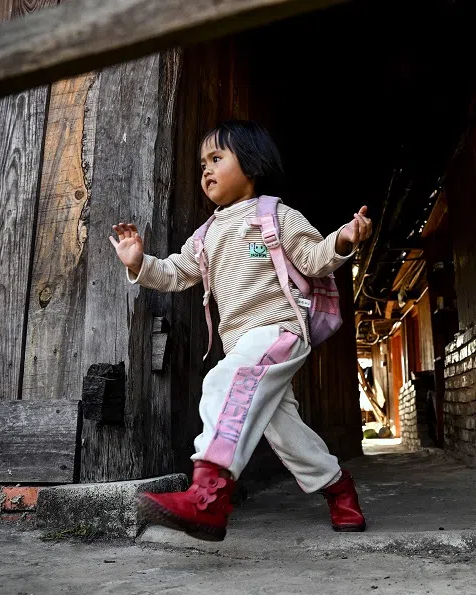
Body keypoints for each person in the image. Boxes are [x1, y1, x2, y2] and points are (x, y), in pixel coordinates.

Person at [108, 120, 372, 541]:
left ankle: (208, 497)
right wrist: (139, 262)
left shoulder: (276, 216)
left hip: (280, 330)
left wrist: (343, 238)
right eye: (202, 165)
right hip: (243, 342)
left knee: (223, 382)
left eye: (216, 159)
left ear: (251, 164)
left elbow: (314, 257)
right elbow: (176, 272)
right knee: (283, 431)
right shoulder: (206, 235)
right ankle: (339, 489)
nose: (206, 170)